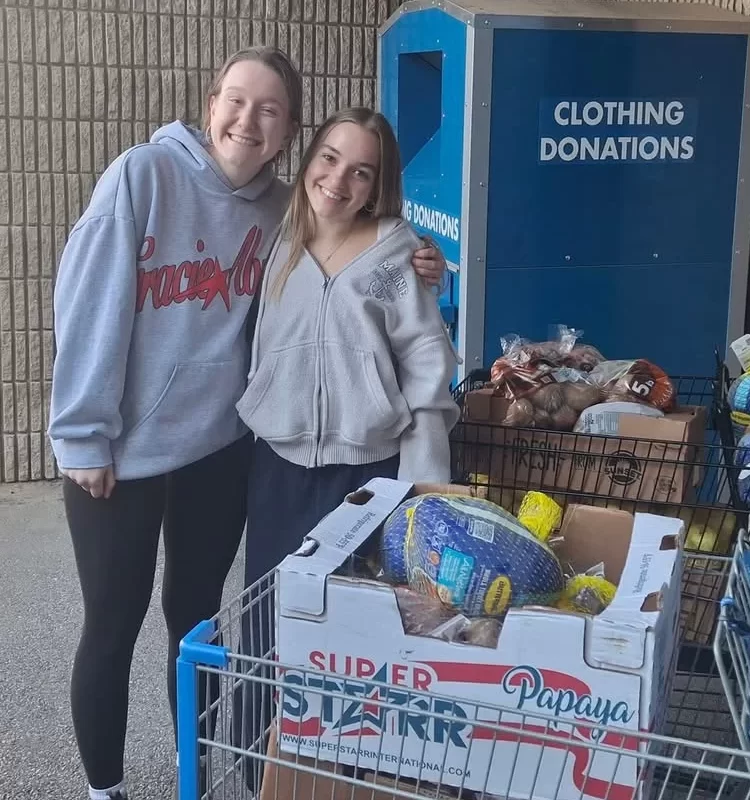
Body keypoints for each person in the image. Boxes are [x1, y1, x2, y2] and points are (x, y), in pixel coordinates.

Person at [47, 47, 448, 800]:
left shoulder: (283, 207)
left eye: (270, 110)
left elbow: (366, 251)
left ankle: (191, 772)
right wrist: (82, 433)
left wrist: (429, 258)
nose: (248, 120)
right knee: (112, 626)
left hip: (222, 451)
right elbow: (88, 308)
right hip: (121, 456)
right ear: (211, 104)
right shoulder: (143, 176)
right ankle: (105, 789)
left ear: (288, 129)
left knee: (197, 627)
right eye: (237, 100)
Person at [229, 106, 460, 791]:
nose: (339, 180)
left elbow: (426, 372)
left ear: (377, 186)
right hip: (278, 468)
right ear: (309, 161)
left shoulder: (398, 256)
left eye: (362, 172)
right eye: (329, 159)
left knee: (356, 638)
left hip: (366, 475)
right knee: (268, 629)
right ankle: (256, 774)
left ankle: (345, 778)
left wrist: (424, 490)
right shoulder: (277, 235)